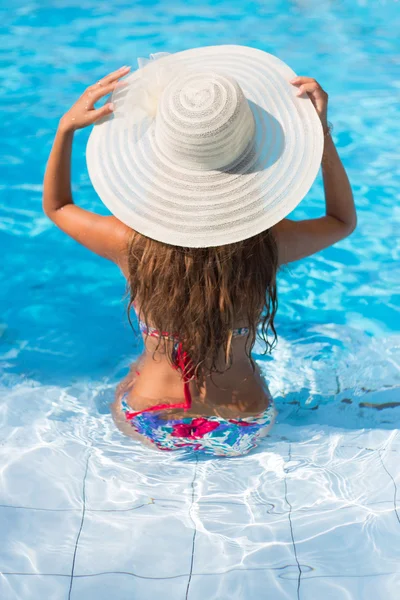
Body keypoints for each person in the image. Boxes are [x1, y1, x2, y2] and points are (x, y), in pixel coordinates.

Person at [43, 46, 356, 456]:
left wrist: (65, 128)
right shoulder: (266, 245)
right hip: (243, 418)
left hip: (149, 415)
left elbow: (58, 206)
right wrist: (323, 134)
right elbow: (341, 221)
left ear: (163, 161)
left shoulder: (130, 243)